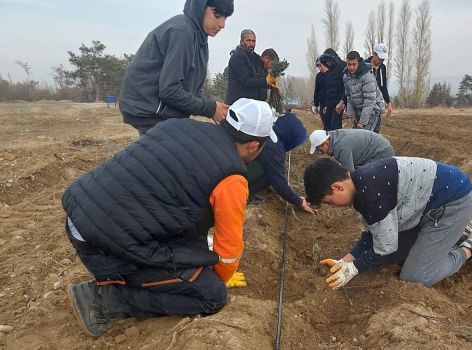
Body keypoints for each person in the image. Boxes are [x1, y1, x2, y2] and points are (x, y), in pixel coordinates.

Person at [62, 98, 277, 337]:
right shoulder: (232, 180)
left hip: (80, 219)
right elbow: (229, 250)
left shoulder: (177, 126)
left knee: (192, 251)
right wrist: (218, 277)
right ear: (253, 146)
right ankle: (105, 300)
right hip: (103, 248)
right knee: (212, 295)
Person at [303, 157, 472, 290]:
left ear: (337, 187)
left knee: (416, 277)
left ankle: (471, 245)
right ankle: (457, 229)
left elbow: (385, 248)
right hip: (429, 205)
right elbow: (372, 234)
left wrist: (354, 268)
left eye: (329, 201)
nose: (333, 206)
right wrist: (344, 262)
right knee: (399, 255)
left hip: (453, 203)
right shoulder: (361, 183)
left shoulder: (370, 195)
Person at [119, 0, 234, 136]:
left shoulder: (199, 37)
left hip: (162, 111)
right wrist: (209, 108)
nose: (222, 24)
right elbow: (169, 91)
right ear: (200, 8)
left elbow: (191, 90)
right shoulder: (183, 31)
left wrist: (213, 106)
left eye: (225, 18)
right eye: (217, 15)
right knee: (170, 155)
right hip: (151, 110)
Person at [246, 113, 316, 214]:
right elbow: (279, 182)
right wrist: (299, 202)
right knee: (270, 174)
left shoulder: (268, 131)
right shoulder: (273, 147)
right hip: (235, 174)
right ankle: (245, 194)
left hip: (234, 165)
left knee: (273, 169)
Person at [225, 29, 279, 105]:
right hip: (238, 105)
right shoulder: (238, 57)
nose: (251, 44)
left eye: (253, 41)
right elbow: (246, 81)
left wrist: (271, 83)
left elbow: (259, 78)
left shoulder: (254, 57)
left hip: (250, 105)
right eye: (248, 40)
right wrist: (266, 81)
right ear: (241, 41)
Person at [308, 129, 394, 172]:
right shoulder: (333, 136)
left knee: (364, 176)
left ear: (325, 143)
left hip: (382, 152)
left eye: (320, 149)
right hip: (376, 149)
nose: (320, 152)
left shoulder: (341, 147)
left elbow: (350, 172)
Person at [343, 51, 385, 133]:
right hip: (359, 110)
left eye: (354, 64)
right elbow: (349, 97)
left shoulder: (367, 77)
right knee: (357, 138)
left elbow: (370, 101)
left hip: (373, 110)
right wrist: (352, 115)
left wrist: (362, 122)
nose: (351, 67)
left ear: (358, 63)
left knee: (366, 139)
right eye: (349, 64)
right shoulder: (346, 77)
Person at [313, 49, 347, 131]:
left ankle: (336, 143)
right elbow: (324, 90)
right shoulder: (325, 73)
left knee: (335, 128)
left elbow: (346, 87)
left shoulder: (343, 66)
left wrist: (344, 102)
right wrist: (319, 104)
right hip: (327, 104)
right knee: (327, 127)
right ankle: (329, 143)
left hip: (338, 103)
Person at [365, 43, 393, 118]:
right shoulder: (364, 66)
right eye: (380, 58)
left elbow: (383, 86)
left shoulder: (383, 67)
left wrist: (388, 102)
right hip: (364, 106)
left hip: (377, 106)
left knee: (375, 128)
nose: (382, 60)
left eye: (383, 58)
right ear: (374, 54)